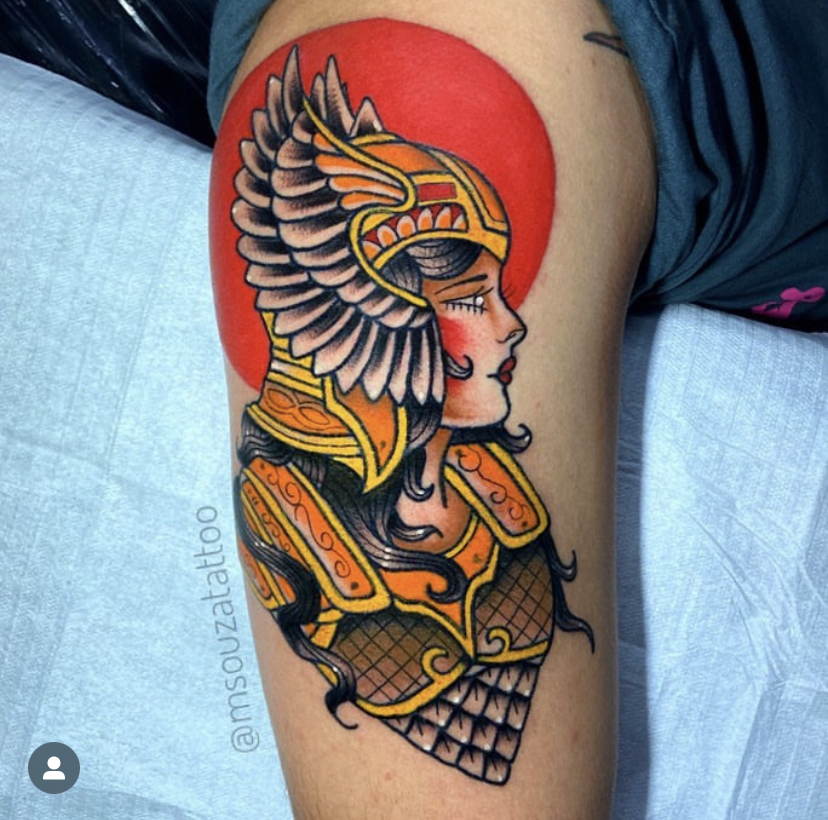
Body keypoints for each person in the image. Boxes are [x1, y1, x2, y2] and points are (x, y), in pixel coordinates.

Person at [208, 1, 826, 817]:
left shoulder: (483, 486)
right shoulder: (488, 28)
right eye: (473, 298)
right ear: (380, 321)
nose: (512, 323)